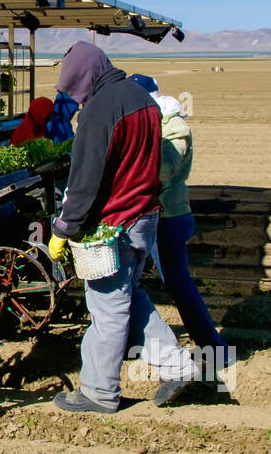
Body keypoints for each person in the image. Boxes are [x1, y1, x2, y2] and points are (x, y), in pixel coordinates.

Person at [47, 42, 200, 413]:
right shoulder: (140, 97)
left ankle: (99, 392)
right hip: (146, 217)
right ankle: (178, 367)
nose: (77, 98)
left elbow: (85, 180)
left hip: (115, 224)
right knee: (129, 297)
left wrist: (64, 228)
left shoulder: (100, 110)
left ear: (87, 76)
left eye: (76, 88)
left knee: (108, 311)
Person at [153, 93, 230, 351]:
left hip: (169, 215)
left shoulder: (175, 130)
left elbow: (165, 170)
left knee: (177, 282)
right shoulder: (163, 126)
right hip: (160, 214)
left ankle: (212, 345)